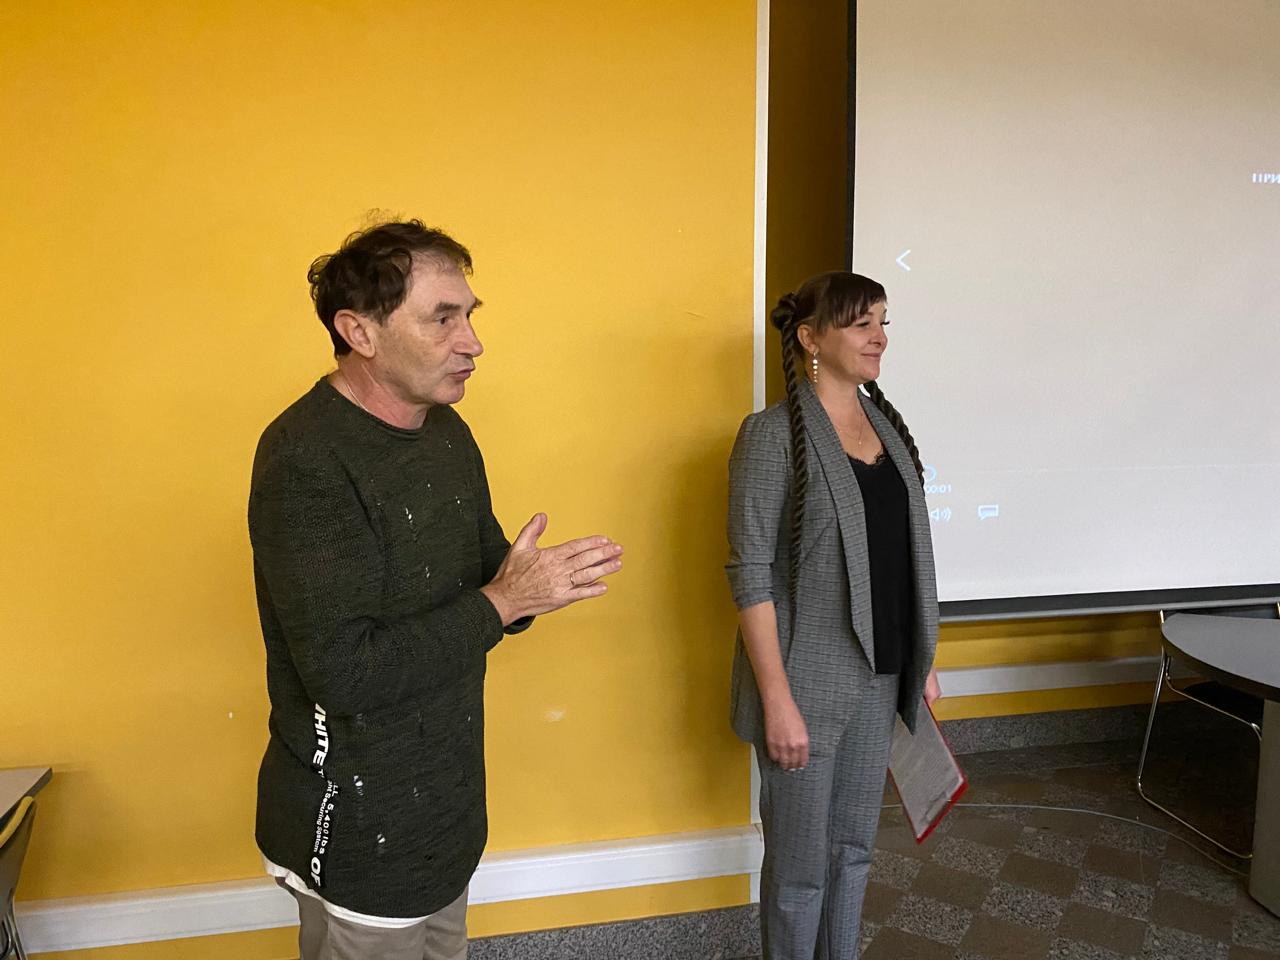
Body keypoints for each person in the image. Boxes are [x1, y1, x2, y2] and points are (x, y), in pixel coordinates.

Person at [247, 220, 623, 960]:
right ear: (359, 332)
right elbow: (346, 672)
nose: (472, 342)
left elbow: (485, 582)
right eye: (442, 318)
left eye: (470, 315)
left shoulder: (447, 430)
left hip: (443, 810)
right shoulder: (305, 459)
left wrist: (528, 586)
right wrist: (505, 601)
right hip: (359, 827)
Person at [725, 271, 940, 959]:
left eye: (883, 321)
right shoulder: (771, 436)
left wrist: (923, 659)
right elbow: (752, 576)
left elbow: (903, 555)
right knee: (798, 872)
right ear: (811, 339)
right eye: (860, 323)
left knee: (853, 852)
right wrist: (777, 701)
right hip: (804, 688)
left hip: (882, 677)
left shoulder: (888, 429)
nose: (879, 337)